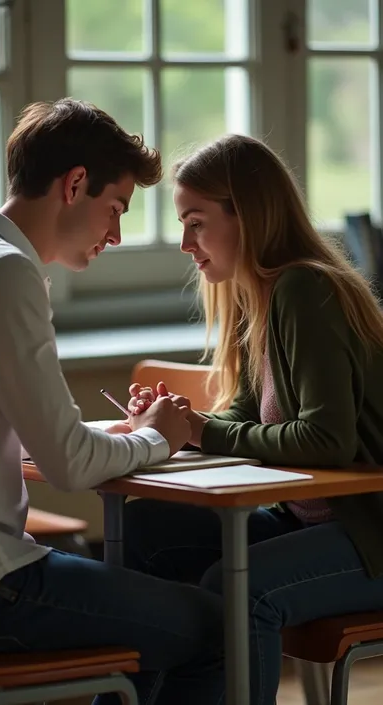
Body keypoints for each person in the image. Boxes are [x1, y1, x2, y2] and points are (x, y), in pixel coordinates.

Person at [0, 99, 227, 705]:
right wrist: (160, 436)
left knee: (152, 612)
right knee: (218, 628)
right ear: (75, 184)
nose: (116, 234)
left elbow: (9, 438)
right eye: (116, 209)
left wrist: (121, 439)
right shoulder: (2, 272)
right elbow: (70, 467)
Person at [123, 134, 383, 705]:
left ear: (249, 215)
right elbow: (246, 411)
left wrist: (200, 432)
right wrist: (178, 422)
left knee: (244, 590)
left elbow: (326, 440)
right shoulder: (257, 294)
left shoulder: (305, 288)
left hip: (370, 533)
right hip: (309, 522)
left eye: (196, 222)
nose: (187, 244)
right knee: (144, 532)